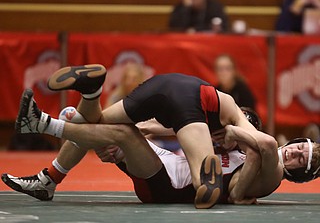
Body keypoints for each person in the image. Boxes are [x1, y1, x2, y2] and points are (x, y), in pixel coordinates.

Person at [5, 64, 319, 207]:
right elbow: (188, 127)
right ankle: (51, 173)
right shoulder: (232, 142)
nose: (295, 153)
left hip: (167, 186)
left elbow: (241, 185)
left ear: (299, 174)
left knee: (120, 135)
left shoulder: (270, 174)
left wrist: (239, 131)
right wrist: (150, 127)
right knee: (104, 125)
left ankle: (43, 124)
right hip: (168, 158)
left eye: (300, 160)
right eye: (300, 149)